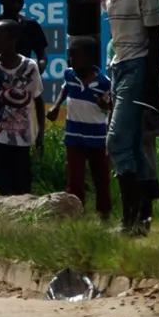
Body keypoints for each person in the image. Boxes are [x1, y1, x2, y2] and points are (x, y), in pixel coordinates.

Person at [103, 0, 159, 232]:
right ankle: (142, 219)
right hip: (118, 66)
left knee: (117, 142)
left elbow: (155, 38)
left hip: (138, 66)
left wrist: (153, 87)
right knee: (134, 145)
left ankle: (129, 219)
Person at [0, 18, 46, 197]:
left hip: (23, 137)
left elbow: (38, 101)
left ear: (12, 40)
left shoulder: (29, 67)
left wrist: (40, 134)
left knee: (23, 182)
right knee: (3, 183)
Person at [60, 36, 114, 220]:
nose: (71, 61)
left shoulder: (104, 82)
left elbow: (110, 105)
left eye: (75, 56)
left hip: (96, 138)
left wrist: (104, 104)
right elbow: (65, 89)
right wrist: (55, 106)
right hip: (73, 136)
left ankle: (104, 213)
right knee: (74, 178)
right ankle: (76, 213)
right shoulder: (69, 75)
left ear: (89, 59)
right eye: (70, 56)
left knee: (101, 177)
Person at [0, 0, 50, 72]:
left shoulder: (31, 25)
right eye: (12, 1)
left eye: (20, 1)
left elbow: (41, 54)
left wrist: (40, 66)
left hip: (24, 78)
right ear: (1, 1)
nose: (16, 5)